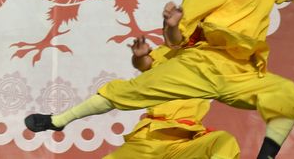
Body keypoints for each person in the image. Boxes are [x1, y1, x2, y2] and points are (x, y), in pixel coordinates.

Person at [25, 0, 294, 159]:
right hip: (201, 65)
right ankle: (58, 120)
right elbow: (174, 42)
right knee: (127, 92)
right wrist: (171, 26)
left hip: (241, 72)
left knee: (288, 96)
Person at [103, 36, 240, 159]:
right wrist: (140, 56)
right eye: (167, 28)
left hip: (184, 144)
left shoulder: (205, 57)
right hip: (149, 141)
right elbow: (144, 63)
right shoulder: (165, 54)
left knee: (224, 141)